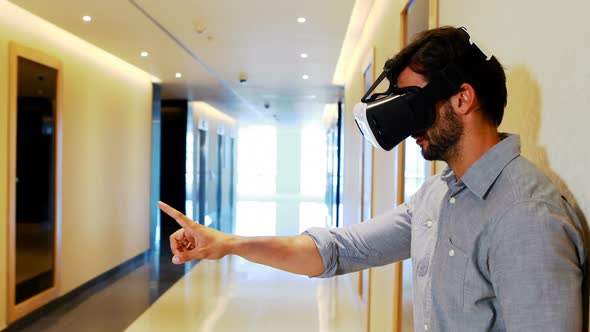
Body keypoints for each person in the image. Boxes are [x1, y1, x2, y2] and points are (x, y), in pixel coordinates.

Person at [158, 26, 587, 331]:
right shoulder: (439, 195)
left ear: (463, 98)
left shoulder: (527, 216)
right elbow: (342, 250)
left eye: (413, 104)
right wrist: (229, 243)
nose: (407, 125)